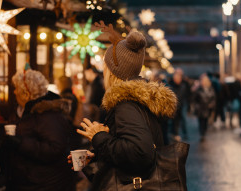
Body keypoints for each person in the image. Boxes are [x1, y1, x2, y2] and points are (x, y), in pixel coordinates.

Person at [74, 24, 177, 190]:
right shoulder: (140, 100)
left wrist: (99, 137)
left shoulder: (126, 104)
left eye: (106, 67)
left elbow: (140, 153)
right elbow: (128, 152)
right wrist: (96, 157)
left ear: (113, 72)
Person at [6, 69, 75, 191]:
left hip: (46, 184)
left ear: (26, 93)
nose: (14, 92)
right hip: (31, 181)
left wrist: (21, 143)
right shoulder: (24, 111)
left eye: (16, 88)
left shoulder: (48, 114)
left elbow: (55, 148)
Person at [194, 74, 215, 142]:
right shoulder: (199, 89)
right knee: (201, 122)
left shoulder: (210, 89)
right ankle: (202, 134)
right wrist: (197, 106)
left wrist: (212, 104)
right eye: (202, 81)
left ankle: (204, 133)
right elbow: (195, 99)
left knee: (205, 122)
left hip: (207, 108)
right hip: (200, 108)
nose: (203, 82)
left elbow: (213, 98)